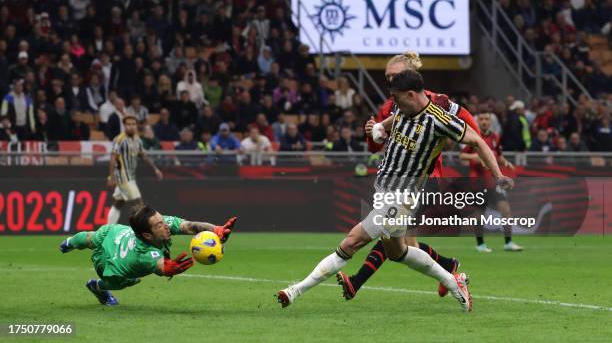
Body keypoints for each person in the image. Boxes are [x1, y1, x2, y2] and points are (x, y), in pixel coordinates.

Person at [277, 60, 513, 312]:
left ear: (411, 94)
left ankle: (295, 291)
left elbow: (477, 140)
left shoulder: (440, 119)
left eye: (397, 98)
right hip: (384, 191)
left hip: (403, 197)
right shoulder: (403, 109)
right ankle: (454, 280)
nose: (394, 104)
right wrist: (378, 128)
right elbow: (388, 124)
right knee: (398, 252)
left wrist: (497, 173)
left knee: (352, 242)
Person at [343, 51, 480, 300]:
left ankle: (357, 281)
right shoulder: (388, 106)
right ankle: (450, 269)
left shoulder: (435, 100)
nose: (390, 82)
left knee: (388, 229)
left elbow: (467, 120)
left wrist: (476, 145)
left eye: (395, 76)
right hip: (397, 180)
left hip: (425, 180)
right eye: (387, 77)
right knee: (405, 244)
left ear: (410, 75)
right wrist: (370, 133)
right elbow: (377, 145)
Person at [59, 205, 237, 306]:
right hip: (109, 262)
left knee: (93, 238)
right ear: (147, 236)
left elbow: (189, 226)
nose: (165, 225)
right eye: (159, 225)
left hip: (119, 233)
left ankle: (77, 250)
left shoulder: (161, 226)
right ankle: (96, 284)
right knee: (93, 243)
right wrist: (168, 269)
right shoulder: (143, 253)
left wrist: (216, 229)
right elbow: (160, 266)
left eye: (162, 220)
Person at [460, 112, 522, 252]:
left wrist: (506, 163)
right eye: (481, 119)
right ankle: (480, 244)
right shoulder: (472, 136)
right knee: (480, 212)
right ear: (477, 121)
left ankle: (508, 242)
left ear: (490, 121)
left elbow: (497, 156)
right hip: (478, 182)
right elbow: (462, 155)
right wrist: (474, 156)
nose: (484, 122)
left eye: (486, 119)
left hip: (494, 181)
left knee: (506, 210)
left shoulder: (495, 137)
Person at [107, 115, 163, 225]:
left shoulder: (137, 140)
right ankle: (142, 230)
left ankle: (107, 229)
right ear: (124, 126)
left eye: (133, 124)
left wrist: (155, 169)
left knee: (118, 203)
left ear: (136, 126)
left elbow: (144, 156)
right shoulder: (119, 140)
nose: (131, 126)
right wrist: (111, 177)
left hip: (131, 176)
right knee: (139, 203)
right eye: (128, 124)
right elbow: (113, 158)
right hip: (123, 177)